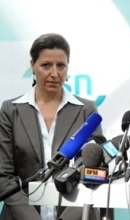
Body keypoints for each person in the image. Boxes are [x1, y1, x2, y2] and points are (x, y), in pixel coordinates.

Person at [0, 33, 102, 220]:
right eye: (46, 65)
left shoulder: (87, 110)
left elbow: (94, 173)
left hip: (76, 215)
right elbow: (3, 176)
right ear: (33, 65)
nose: (54, 73)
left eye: (61, 66)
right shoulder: (10, 110)